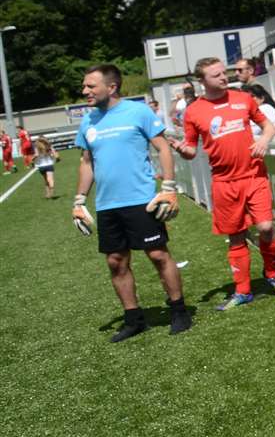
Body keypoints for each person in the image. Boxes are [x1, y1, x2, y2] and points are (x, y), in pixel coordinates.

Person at [73, 64, 191, 340]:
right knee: (116, 262)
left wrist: (169, 187)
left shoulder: (138, 112)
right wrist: (79, 200)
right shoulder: (88, 121)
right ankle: (134, 319)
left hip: (141, 200)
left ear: (111, 87)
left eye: (91, 86)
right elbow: (87, 162)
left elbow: (163, 148)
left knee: (158, 255)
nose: (85, 91)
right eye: (85, 86)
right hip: (107, 205)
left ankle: (179, 311)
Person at [171, 57, 275, 308]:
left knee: (267, 227)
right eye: (216, 75)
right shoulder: (194, 111)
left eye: (223, 73)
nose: (224, 77)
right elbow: (192, 150)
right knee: (236, 237)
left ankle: (272, 273)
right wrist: (182, 150)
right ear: (202, 81)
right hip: (224, 182)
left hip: (254, 175)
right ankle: (243, 290)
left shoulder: (242, 98)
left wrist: (264, 141)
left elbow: (267, 126)